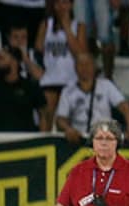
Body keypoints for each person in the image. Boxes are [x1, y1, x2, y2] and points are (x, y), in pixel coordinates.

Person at [32, 119, 129, 206]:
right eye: (99, 138)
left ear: (118, 143)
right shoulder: (78, 172)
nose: (104, 143)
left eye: (109, 138)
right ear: (92, 142)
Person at [56, 53, 129, 145]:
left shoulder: (106, 86)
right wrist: (68, 129)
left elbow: (125, 107)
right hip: (79, 139)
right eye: (81, 65)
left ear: (94, 67)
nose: (84, 68)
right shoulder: (67, 91)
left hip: (105, 138)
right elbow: (61, 119)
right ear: (75, 68)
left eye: (88, 64)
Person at [35, 0, 87, 131]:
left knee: (66, 121)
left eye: (64, 3)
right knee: (46, 116)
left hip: (71, 80)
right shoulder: (46, 25)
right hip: (50, 79)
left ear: (71, 5)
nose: (61, 7)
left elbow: (81, 54)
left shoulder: (79, 26)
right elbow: (38, 50)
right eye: (57, 3)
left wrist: (67, 28)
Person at [0, 46, 48, 131]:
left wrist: (42, 139)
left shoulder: (30, 86)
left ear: (14, 61)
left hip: (25, 140)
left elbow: (44, 115)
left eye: (1, 58)